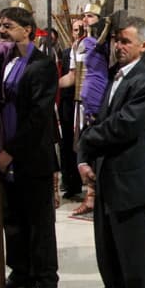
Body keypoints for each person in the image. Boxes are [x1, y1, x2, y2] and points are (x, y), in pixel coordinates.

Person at [79, 16, 145, 288]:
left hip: (129, 178)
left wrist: (85, 141)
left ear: (144, 44)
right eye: (116, 40)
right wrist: (84, 159)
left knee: (135, 251)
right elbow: (98, 117)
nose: (119, 46)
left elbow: (123, 126)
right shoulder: (112, 75)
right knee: (108, 247)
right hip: (106, 175)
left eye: (126, 41)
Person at [0, 6, 60, 288]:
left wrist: (9, 152)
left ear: (28, 29)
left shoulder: (41, 65)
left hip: (30, 155)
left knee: (39, 222)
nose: (2, 30)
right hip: (4, 154)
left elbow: (38, 117)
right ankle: (20, 271)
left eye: (9, 26)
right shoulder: (1, 61)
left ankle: (45, 280)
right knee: (12, 220)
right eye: (0, 25)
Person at [58, 2, 109, 216]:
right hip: (81, 100)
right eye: (85, 15)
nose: (86, 19)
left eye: (91, 15)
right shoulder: (78, 45)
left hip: (100, 96)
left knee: (97, 145)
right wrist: (50, 84)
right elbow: (72, 76)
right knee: (83, 146)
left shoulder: (105, 43)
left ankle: (96, 195)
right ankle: (89, 194)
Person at [58, 20, 85, 199]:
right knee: (67, 144)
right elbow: (68, 76)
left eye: (81, 29)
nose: (78, 33)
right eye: (75, 30)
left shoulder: (93, 50)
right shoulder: (68, 52)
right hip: (69, 102)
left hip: (87, 102)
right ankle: (71, 182)